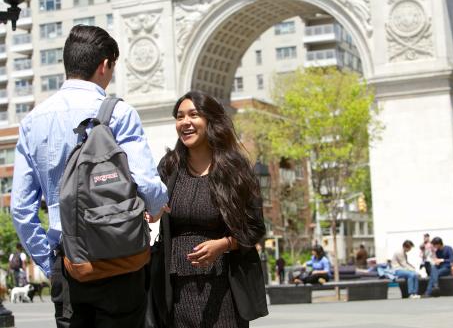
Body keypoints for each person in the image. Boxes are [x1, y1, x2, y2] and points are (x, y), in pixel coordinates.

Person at [10, 25, 168, 328]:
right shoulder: (120, 113)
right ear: (104, 65)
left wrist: (50, 262)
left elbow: (20, 209)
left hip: (69, 263)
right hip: (122, 262)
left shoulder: (32, 122)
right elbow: (148, 185)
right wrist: (157, 205)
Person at [153, 91, 268, 327]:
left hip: (223, 289)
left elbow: (255, 228)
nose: (185, 122)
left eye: (193, 115)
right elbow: (152, 209)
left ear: (210, 120)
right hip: (175, 290)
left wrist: (224, 244)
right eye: (179, 116)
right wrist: (151, 211)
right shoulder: (168, 166)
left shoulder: (235, 170)